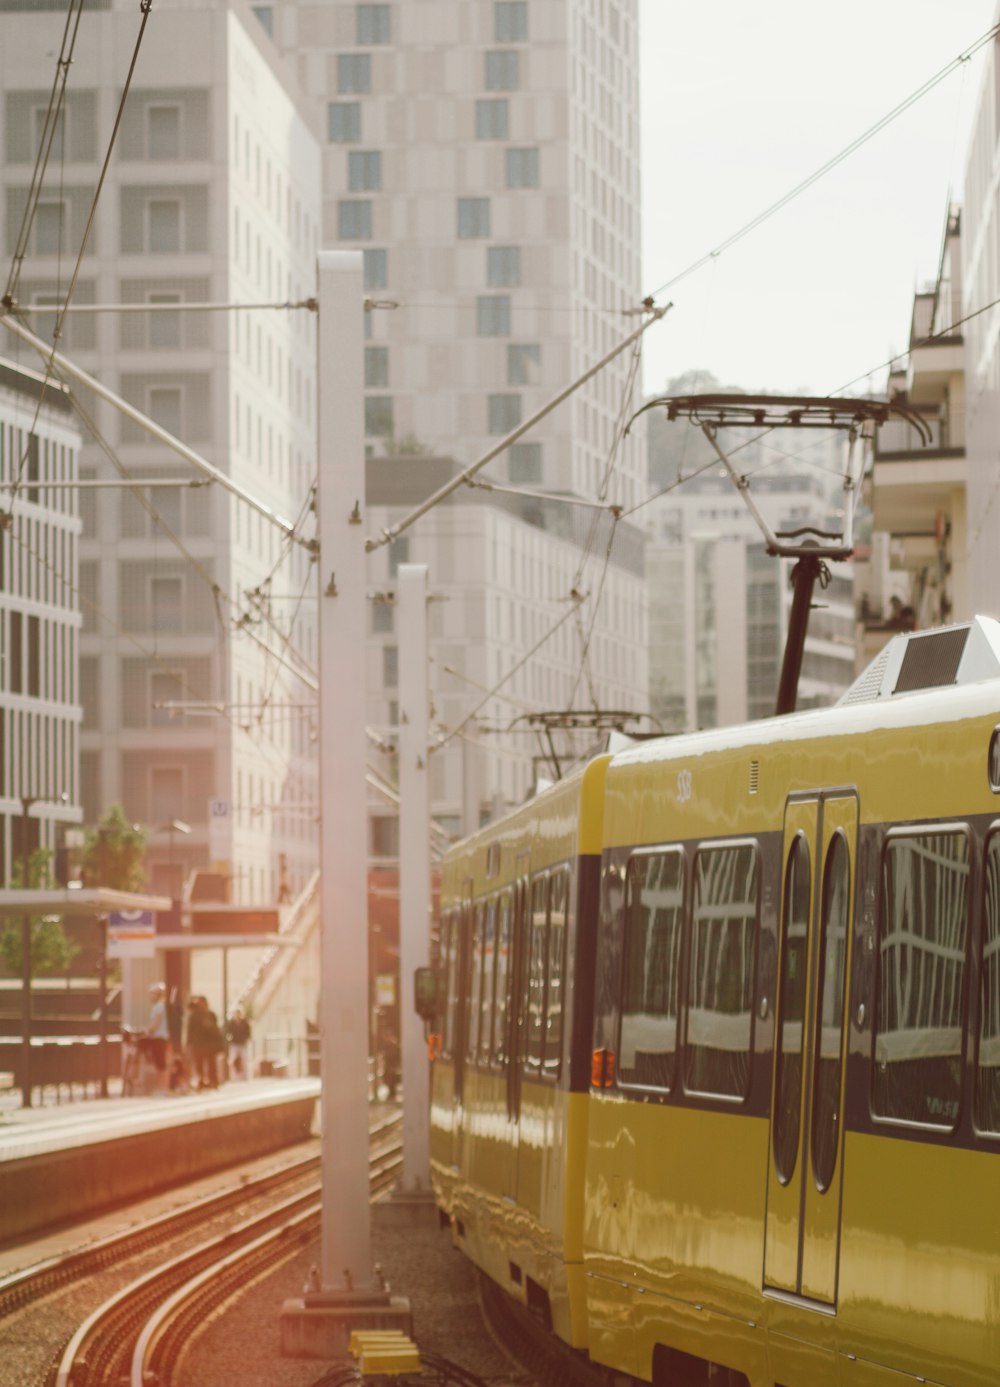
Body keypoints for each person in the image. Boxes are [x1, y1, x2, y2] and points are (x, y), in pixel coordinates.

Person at [147, 982, 170, 1093]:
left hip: (159, 1038)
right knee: (159, 1064)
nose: (151, 996)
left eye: (153, 993)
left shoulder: (160, 1006)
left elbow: (156, 1022)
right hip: (157, 1038)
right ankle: (161, 1088)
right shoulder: (157, 1006)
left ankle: (163, 1088)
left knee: (161, 1064)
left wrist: (147, 1031)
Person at [226, 1006, 252, 1080]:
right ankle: (232, 1076)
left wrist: (247, 1040)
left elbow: (248, 1033)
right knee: (231, 1060)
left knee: (245, 1059)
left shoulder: (245, 1022)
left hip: (243, 1043)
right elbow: (229, 1032)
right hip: (234, 1043)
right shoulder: (232, 1023)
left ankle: (246, 1076)